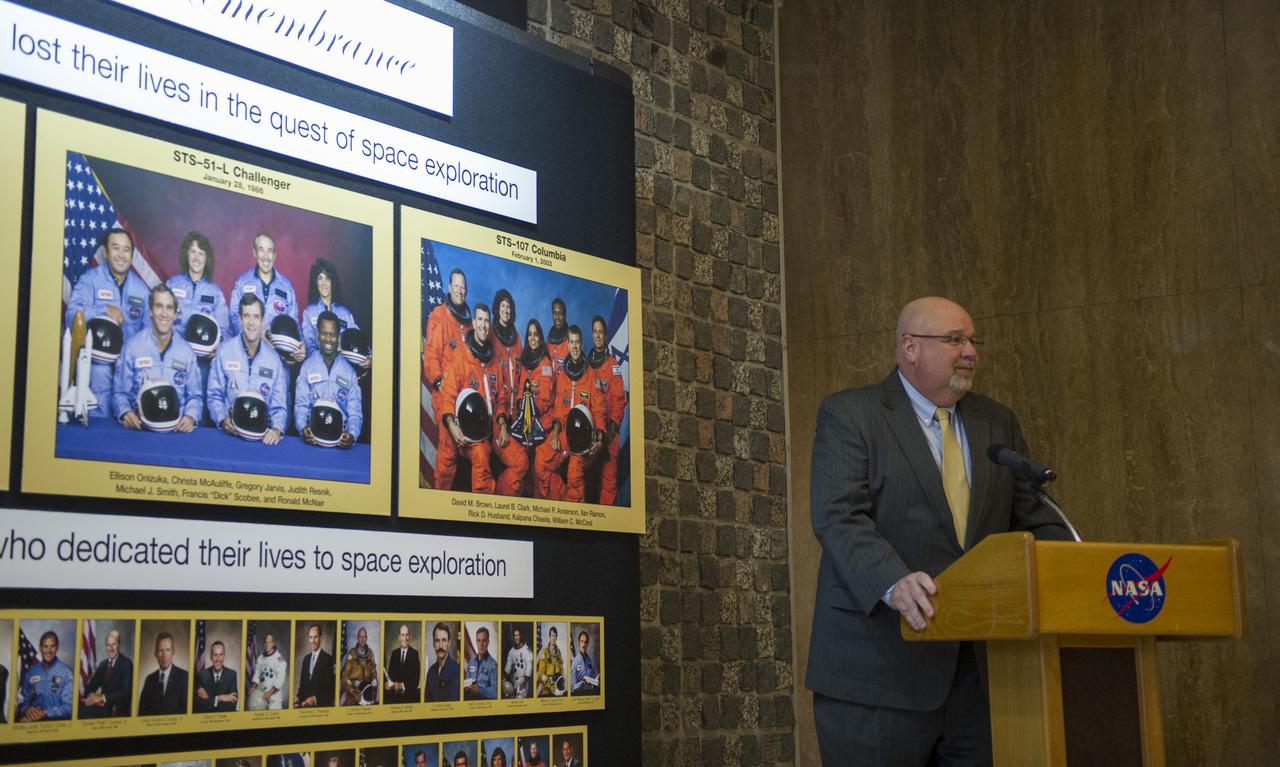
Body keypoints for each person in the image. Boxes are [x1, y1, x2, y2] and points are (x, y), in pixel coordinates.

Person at [806, 296, 1075, 764]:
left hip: (978, 682)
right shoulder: (852, 414)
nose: (970, 350)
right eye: (955, 340)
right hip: (877, 674)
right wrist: (893, 581)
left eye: (973, 340)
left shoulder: (997, 422)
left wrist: (1078, 565)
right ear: (910, 348)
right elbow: (838, 515)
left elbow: (1030, 516)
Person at [436, 303, 528, 494]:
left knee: (521, 462)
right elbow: (447, 395)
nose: (484, 325)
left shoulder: (494, 360)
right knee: (480, 457)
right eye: (480, 319)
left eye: (487, 321)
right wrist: (452, 425)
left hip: (492, 424)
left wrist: (502, 424)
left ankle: (499, 499)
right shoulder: (461, 357)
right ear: (474, 322)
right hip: (468, 428)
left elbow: (501, 398)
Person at [65, 227, 151, 417]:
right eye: (115, 248)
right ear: (105, 252)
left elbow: (147, 334)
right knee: (99, 373)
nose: (121, 255)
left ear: (132, 255)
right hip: (97, 362)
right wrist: (103, 310)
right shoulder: (91, 280)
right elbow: (72, 315)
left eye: (126, 249)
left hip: (128, 365)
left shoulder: (141, 291)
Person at [113, 285, 203, 431]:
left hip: (176, 432)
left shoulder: (186, 352)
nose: (164, 314)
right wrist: (125, 412)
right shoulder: (132, 347)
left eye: (169, 308)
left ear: (175, 314)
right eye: (159, 307)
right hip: (141, 431)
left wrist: (190, 416)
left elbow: (195, 397)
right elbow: (120, 393)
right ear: (150, 311)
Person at [207, 294, 289, 445]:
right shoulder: (224, 352)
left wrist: (277, 429)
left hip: (261, 441)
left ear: (263, 321)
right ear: (239, 318)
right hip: (230, 437)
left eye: (256, 317)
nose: (251, 323)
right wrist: (222, 420)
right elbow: (214, 396)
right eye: (246, 316)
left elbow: (279, 407)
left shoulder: (273, 360)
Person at [423, 268, 471, 484]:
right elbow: (431, 358)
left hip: (466, 397)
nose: (460, 291)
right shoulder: (439, 316)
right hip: (446, 396)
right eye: (457, 286)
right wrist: (441, 384)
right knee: (449, 454)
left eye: (463, 287)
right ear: (449, 288)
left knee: (472, 454)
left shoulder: (469, 324)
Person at [228, 234, 302, 365]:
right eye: (261, 250)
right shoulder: (242, 282)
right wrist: (254, 337)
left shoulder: (286, 287)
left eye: (270, 251)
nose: (266, 256)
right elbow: (234, 317)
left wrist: (299, 346)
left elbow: (293, 323)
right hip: (248, 356)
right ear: (255, 253)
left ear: (275, 255)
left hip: (279, 360)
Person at [551, 325, 605, 502]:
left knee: (573, 471)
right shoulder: (562, 375)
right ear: (568, 344)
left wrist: (599, 438)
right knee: (541, 461)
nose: (574, 346)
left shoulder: (591, 376)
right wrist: (556, 433)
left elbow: (598, 410)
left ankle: (574, 511)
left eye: (577, 343)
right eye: (571, 342)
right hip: (566, 433)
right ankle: (559, 504)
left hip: (585, 439)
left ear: (582, 345)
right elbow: (559, 408)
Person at [294, 311, 362, 448]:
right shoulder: (307, 367)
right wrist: (303, 428)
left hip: (339, 441)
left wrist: (352, 434)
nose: (328, 339)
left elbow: (355, 410)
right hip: (313, 439)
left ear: (338, 337)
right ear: (318, 335)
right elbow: (301, 405)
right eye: (324, 333)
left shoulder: (349, 371)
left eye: (332, 335)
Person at [516, 319, 561, 499]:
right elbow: (520, 390)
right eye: (530, 334)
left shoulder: (545, 365)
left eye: (536, 334)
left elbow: (544, 400)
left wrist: (528, 413)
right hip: (527, 418)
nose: (532, 338)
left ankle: (539, 499)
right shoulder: (526, 361)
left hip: (542, 422)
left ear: (540, 338)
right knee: (522, 459)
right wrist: (521, 407)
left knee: (537, 466)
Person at [587, 315, 628, 504]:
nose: (597, 335)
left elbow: (619, 401)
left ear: (605, 335)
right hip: (591, 431)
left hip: (609, 434)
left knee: (608, 482)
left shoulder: (613, 366)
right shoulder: (586, 363)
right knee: (587, 479)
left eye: (600, 332)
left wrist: (610, 430)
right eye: (594, 331)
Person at [167, 231, 230, 346]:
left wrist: (216, 348)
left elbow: (223, 331)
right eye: (193, 252)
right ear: (187, 254)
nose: (196, 257)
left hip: (203, 355)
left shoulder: (215, 292)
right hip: (174, 349)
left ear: (207, 259)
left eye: (201, 253)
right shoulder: (172, 285)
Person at [300, 259, 367, 366]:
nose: (323, 283)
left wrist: (369, 356)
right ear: (315, 282)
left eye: (327, 278)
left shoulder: (344, 313)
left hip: (344, 368)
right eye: (319, 278)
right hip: (317, 368)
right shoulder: (309, 313)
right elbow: (309, 348)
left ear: (332, 282)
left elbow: (358, 339)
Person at [17, 630, 73, 721]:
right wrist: (26, 709)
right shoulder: (31, 672)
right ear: (40, 648)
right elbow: (23, 700)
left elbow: (69, 706)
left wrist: (45, 713)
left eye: (52, 646)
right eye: (45, 647)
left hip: (55, 722)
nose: (49, 651)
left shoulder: (66, 673)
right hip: (31, 720)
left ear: (57, 647)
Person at [80, 629, 133, 718]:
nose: (111, 648)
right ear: (106, 646)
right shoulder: (103, 665)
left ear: (119, 645)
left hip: (119, 713)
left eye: (114, 644)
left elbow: (125, 692)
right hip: (103, 710)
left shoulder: (126, 663)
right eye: (108, 645)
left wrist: (101, 698)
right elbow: (91, 687)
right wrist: (90, 696)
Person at [138, 632, 188, 716]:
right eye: (161, 650)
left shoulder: (184, 677)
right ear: (155, 654)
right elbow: (142, 713)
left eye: (168, 650)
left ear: (173, 652)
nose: (164, 655)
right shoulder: (149, 679)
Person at [490, 289, 522, 414]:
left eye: (508, 307)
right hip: (497, 407)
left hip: (515, 408)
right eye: (502, 305)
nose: (505, 310)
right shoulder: (490, 335)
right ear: (497, 308)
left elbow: (521, 371)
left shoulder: (517, 338)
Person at [295, 623, 335, 708]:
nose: (313, 641)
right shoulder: (306, 659)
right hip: (304, 709)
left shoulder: (328, 660)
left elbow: (331, 691)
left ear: (321, 638)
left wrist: (316, 699)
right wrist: (298, 698)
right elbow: (302, 685)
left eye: (315, 637)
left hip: (320, 709)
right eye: (311, 637)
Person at [193, 640, 238, 713]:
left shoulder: (232, 675)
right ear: (211, 656)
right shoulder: (202, 675)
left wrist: (209, 700)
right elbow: (199, 705)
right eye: (215, 655)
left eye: (221, 654)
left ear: (224, 656)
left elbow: (232, 705)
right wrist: (220, 698)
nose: (218, 659)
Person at [247, 632, 287, 710]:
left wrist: (269, 693)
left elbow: (280, 679)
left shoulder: (279, 659)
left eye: (269, 642)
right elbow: (257, 673)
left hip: (274, 700)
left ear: (273, 643)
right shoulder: (260, 658)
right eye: (265, 642)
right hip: (261, 697)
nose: (267, 644)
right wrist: (253, 686)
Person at [339, 626, 376, 706]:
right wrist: (351, 690)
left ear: (366, 638)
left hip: (367, 693)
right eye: (360, 637)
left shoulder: (370, 654)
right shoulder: (352, 654)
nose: (362, 639)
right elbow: (345, 675)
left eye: (364, 637)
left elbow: (374, 672)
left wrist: (374, 681)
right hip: (353, 693)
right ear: (357, 638)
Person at [383, 624, 420, 704]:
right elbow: (390, 676)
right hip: (394, 699)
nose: (405, 638)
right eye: (403, 635)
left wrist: (401, 685)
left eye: (407, 635)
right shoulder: (394, 653)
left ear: (409, 636)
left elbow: (416, 682)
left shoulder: (414, 654)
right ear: (399, 637)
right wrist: (388, 684)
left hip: (409, 699)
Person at [424, 622, 459, 703]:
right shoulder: (431, 671)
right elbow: (426, 702)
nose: (440, 646)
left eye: (444, 640)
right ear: (433, 643)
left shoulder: (456, 671)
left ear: (449, 643)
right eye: (437, 640)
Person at [462, 626, 497, 700]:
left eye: (484, 640)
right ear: (476, 642)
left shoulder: (493, 665)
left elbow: (495, 692)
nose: (481, 644)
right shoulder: (471, 661)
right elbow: (466, 682)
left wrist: (479, 690)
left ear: (488, 642)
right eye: (479, 640)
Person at [502, 627, 533, 698]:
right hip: (512, 683)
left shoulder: (527, 651)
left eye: (518, 635)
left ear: (521, 636)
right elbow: (507, 668)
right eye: (515, 635)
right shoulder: (511, 651)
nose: (516, 637)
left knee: (519, 701)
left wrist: (523, 683)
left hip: (523, 682)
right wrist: (504, 679)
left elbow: (528, 670)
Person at [535, 626, 565, 697]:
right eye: (552, 635)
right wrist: (551, 686)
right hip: (547, 689)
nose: (553, 638)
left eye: (555, 636)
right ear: (549, 636)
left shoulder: (558, 652)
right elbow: (541, 674)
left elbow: (561, 670)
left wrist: (560, 685)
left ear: (556, 637)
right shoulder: (545, 652)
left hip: (558, 689)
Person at [569, 630, 599, 694]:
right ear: (579, 643)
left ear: (587, 644)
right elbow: (573, 687)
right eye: (582, 641)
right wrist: (582, 683)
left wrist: (596, 681)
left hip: (590, 695)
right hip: (579, 696)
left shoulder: (591, 661)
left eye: (585, 642)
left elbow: (594, 683)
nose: (583, 645)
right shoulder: (575, 662)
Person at [545, 298, 570, 370]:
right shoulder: (548, 343)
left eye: (560, 313)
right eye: (555, 313)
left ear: (565, 315)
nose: (557, 317)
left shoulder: (571, 341)